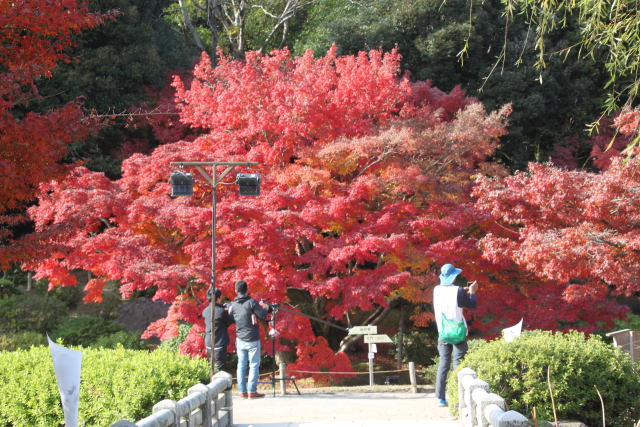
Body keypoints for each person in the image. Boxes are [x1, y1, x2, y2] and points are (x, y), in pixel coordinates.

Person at [433, 263, 478, 407]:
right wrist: (473, 292)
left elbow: (450, 296)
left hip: (443, 332)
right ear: (454, 276)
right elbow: (471, 304)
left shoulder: (436, 290)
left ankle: (440, 397)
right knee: (458, 363)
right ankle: (458, 398)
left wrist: (464, 292)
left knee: (443, 363)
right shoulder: (459, 291)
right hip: (458, 332)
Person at [229, 279, 270, 399]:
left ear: (236, 291)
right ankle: (252, 391)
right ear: (247, 290)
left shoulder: (233, 305)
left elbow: (231, 318)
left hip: (240, 338)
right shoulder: (252, 302)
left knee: (241, 365)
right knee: (254, 365)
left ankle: (242, 391)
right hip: (252, 338)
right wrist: (266, 307)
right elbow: (262, 315)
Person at [203, 288, 234, 371]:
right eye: (220, 297)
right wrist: (230, 311)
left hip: (209, 342)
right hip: (218, 343)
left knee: (212, 366)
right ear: (218, 298)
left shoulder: (205, 311)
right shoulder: (221, 311)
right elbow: (230, 321)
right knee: (220, 368)